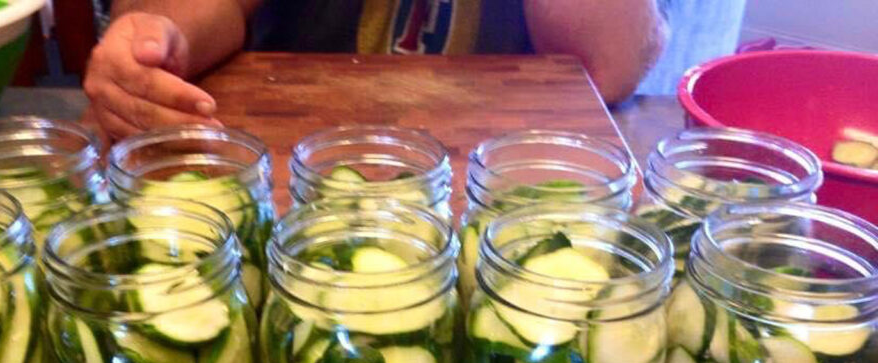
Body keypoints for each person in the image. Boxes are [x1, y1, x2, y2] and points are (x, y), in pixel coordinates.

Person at [83, 0, 669, 140]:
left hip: (507, 185)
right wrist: (158, 37)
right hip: (290, 168)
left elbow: (609, 64)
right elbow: (206, 10)